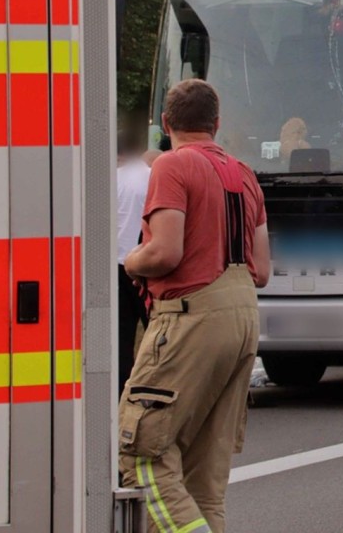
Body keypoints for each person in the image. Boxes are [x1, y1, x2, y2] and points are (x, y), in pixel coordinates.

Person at [119, 79, 271, 533]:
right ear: (217, 124)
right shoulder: (244, 174)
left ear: (166, 124)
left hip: (191, 316)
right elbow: (261, 269)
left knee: (141, 451)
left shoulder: (172, 165)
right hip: (242, 315)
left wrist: (130, 260)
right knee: (204, 472)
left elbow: (164, 252)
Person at [115, 132, 153, 396]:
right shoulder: (149, 177)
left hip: (115, 267)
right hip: (146, 266)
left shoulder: (107, 179)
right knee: (157, 333)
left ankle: (121, 397)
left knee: (121, 340)